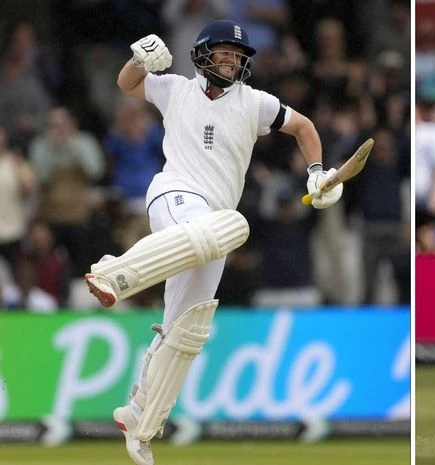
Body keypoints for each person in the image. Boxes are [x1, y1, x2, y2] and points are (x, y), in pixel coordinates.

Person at [83, 20, 343, 465]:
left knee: (188, 327)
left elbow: (304, 127)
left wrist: (317, 171)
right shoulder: (176, 90)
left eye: (239, 55)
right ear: (203, 54)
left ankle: (141, 418)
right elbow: (127, 84)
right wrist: (138, 59)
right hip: (172, 193)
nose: (232, 60)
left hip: (213, 224)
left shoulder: (256, 103)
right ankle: (114, 272)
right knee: (227, 228)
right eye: (224, 52)